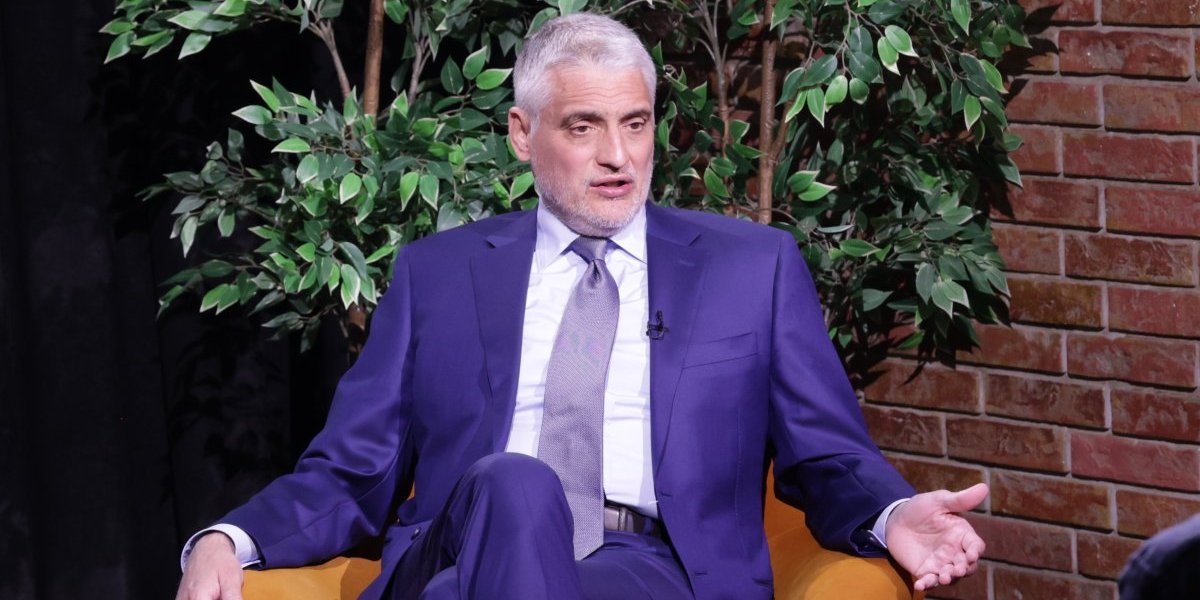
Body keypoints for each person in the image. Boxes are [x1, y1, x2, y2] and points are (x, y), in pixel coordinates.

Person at [177, 13, 987, 600]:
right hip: (454, 552)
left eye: (635, 123)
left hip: (647, 568)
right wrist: (230, 537)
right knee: (515, 486)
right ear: (521, 133)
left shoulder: (752, 270)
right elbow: (353, 470)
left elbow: (825, 454)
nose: (618, 156)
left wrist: (891, 512)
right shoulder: (437, 274)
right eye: (583, 127)